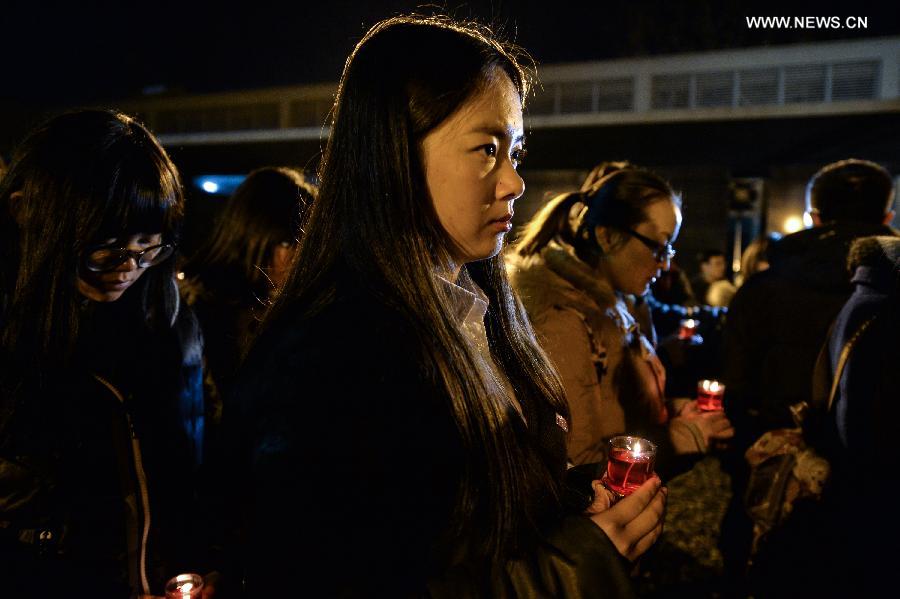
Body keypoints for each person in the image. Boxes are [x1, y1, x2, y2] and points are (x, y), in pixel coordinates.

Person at [225, 15, 666, 597]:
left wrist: (575, 500)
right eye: (487, 148)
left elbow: (474, 522)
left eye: (517, 152)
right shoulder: (331, 358)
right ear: (394, 153)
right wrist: (570, 567)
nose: (514, 181)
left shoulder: (475, 309)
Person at [0, 109, 209, 597]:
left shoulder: (172, 323)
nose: (128, 269)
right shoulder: (15, 341)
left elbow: (188, 471)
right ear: (28, 214)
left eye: (148, 248)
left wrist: (201, 561)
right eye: (108, 250)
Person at [507, 162, 734, 471]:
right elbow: (579, 465)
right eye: (660, 247)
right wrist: (680, 438)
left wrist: (672, 411)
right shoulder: (563, 319)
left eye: (671, 250)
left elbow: (615, 416)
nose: (666, 265)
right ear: (607, 237)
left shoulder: (615, 306)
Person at [723, 158, 897, 448]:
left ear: (814, 217)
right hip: (878, 467)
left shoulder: (762, 289)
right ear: (886, 219)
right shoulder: (892, 285)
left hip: (777, 460)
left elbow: (737, 384)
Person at [180, 166, 317, 399]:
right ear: (250, 236)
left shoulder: (298, 312)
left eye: (305, 245)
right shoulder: (190, 311)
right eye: (286, 243)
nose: (297, 257)